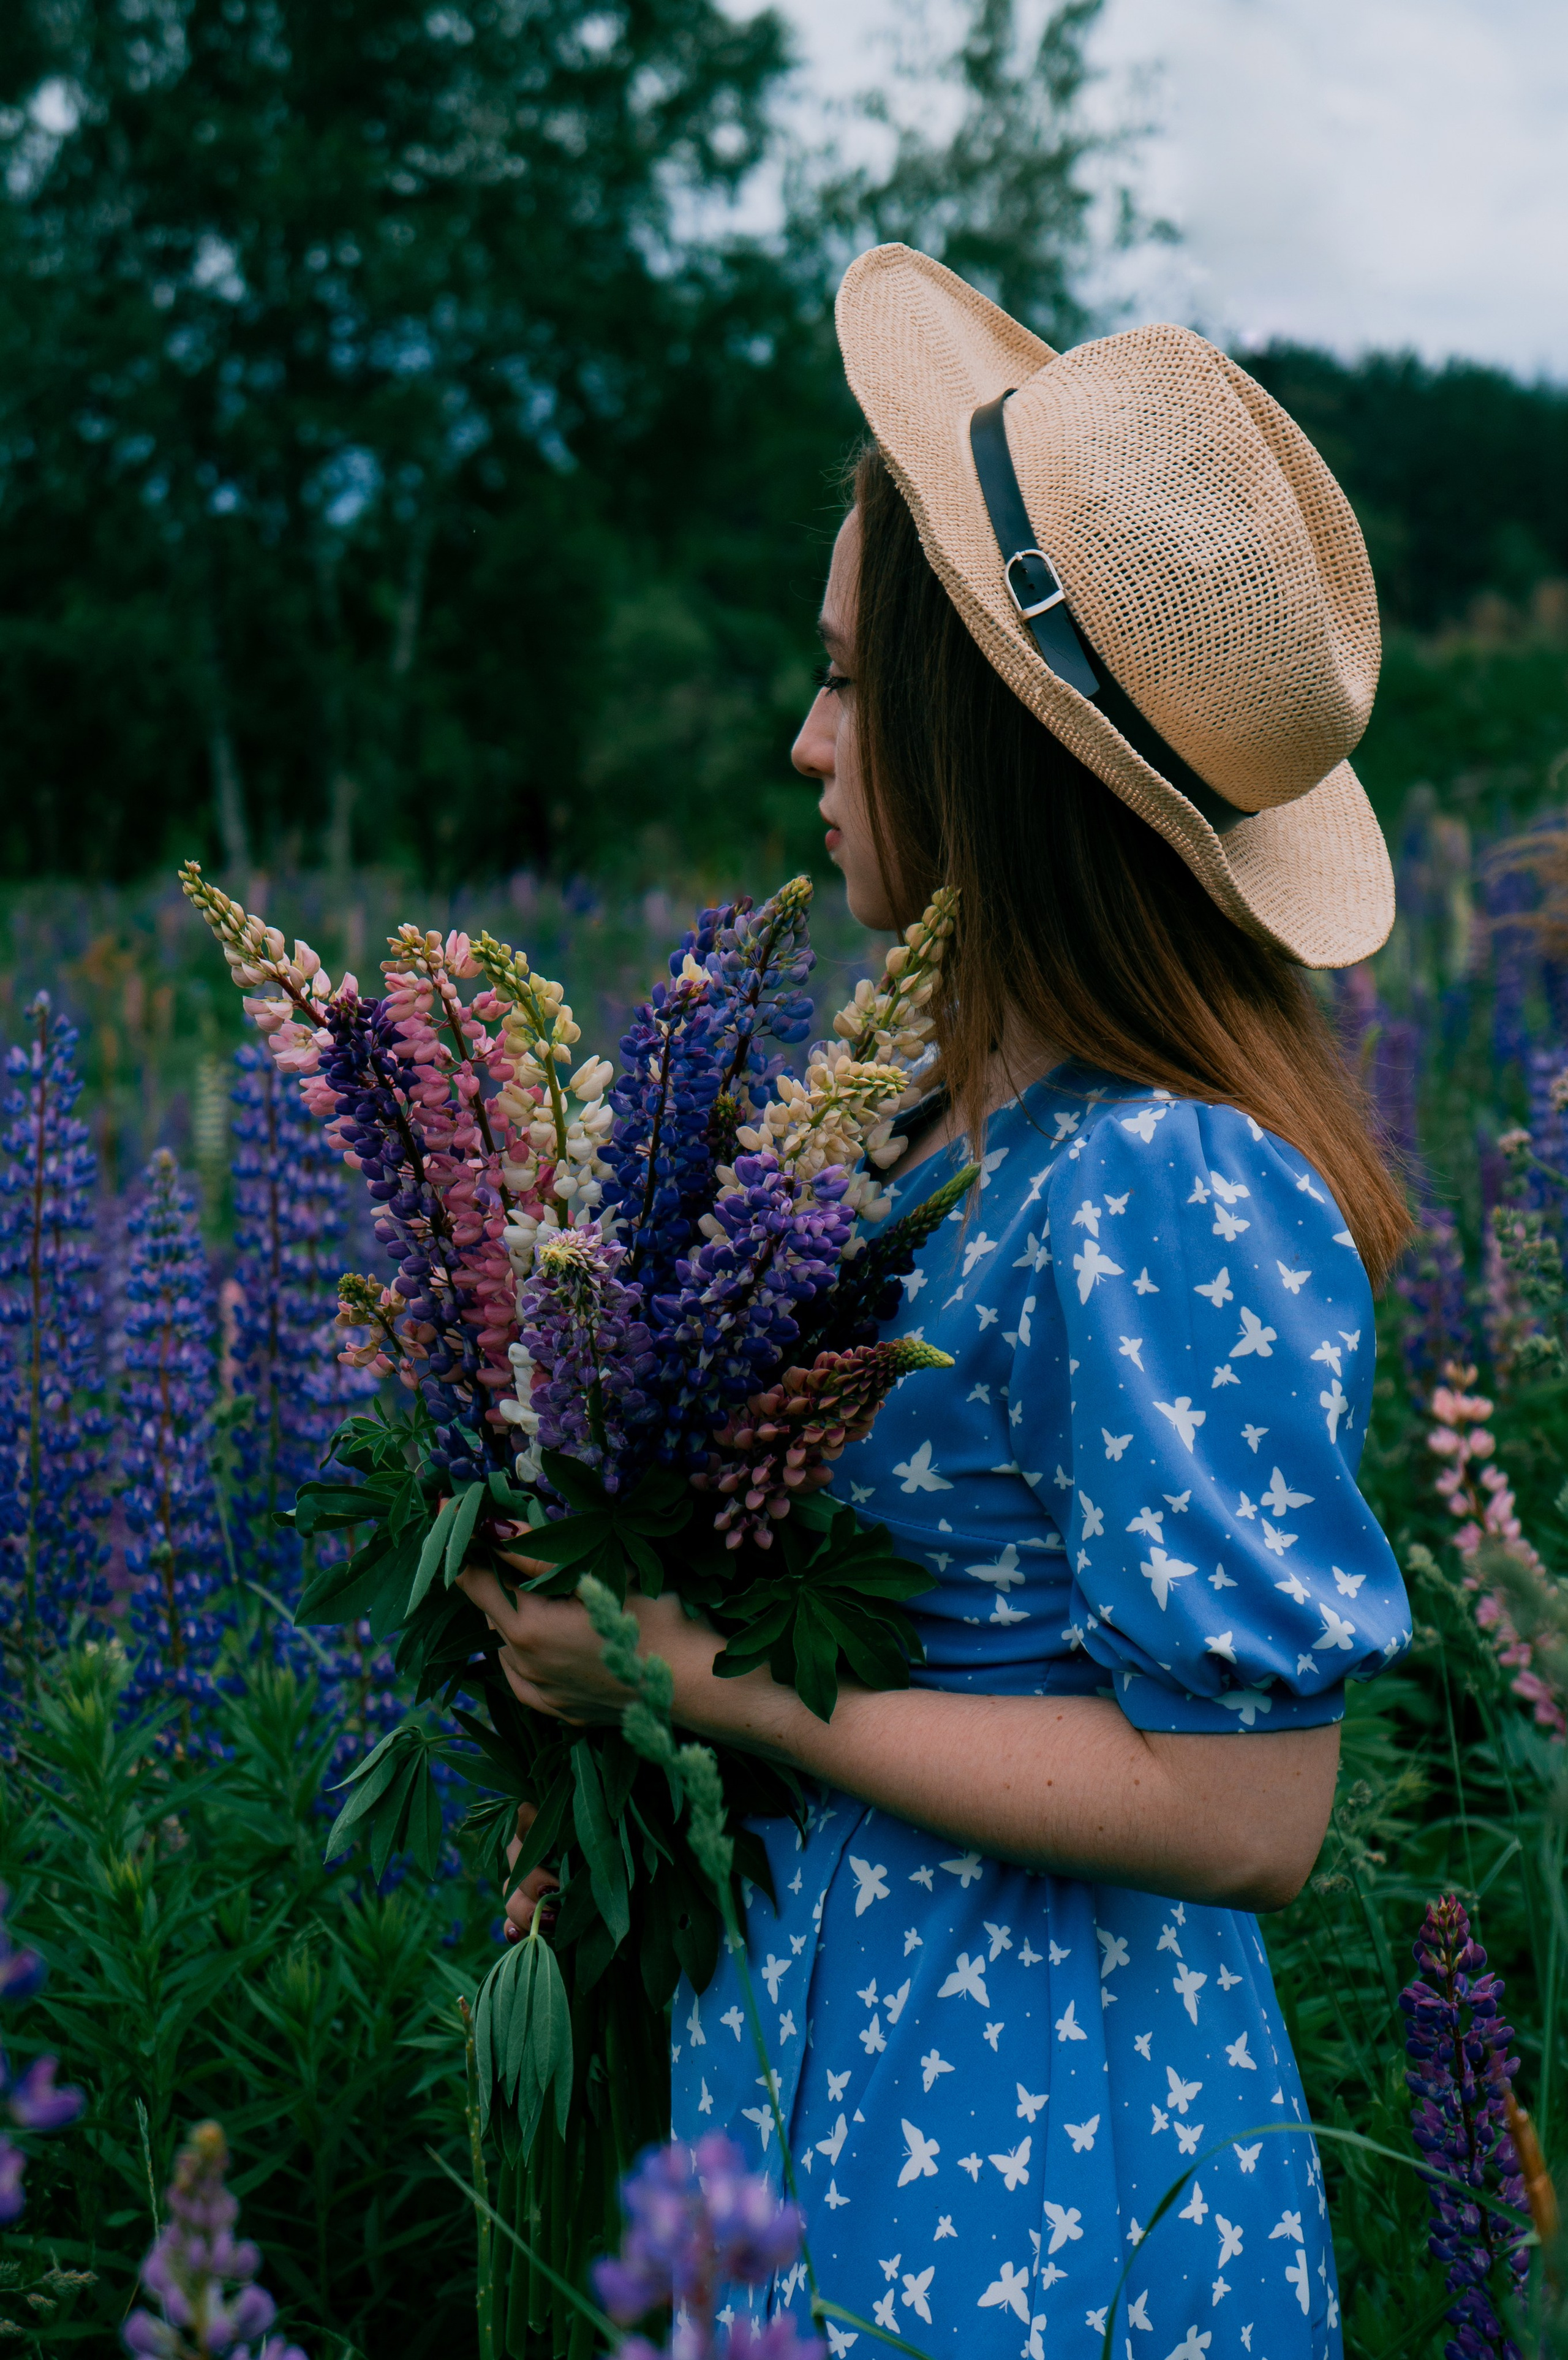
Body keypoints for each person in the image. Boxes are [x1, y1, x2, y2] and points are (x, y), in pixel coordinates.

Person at [458, 243, 1414, 2355]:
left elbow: (1255, 1806)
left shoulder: (1163, 1173)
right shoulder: (945, 1123)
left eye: (848, 682)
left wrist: (690, 1680)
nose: (805, 742)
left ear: (988, 746)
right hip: (845, 2078)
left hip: (1035, 2148)